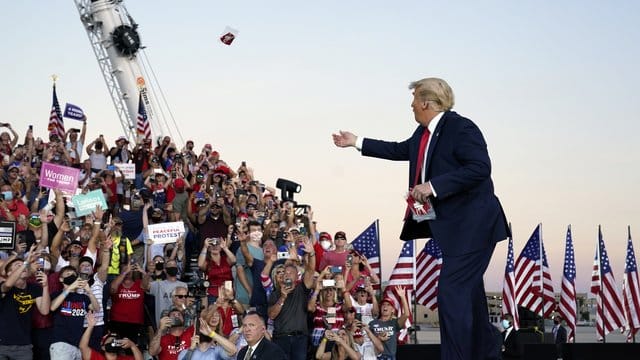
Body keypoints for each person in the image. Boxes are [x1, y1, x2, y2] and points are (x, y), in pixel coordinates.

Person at [333, 77, 510, 360]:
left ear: (427, 102)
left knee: (451, 295)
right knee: (470, 299)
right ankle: (488, 352)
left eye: (414, 98)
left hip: (474, 228)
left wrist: (433, 186)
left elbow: (480, 168)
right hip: (455, 233)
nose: (411, 105)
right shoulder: (422, 134)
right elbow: (398, 150)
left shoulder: (461, 127)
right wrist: (357, 142)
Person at [0, 250, 51, 359]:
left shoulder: (34, 288)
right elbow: (8, 284)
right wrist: (26, 262)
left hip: (24, 345)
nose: (23, 267)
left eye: (24, 266)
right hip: (2, 344)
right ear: (9, 273)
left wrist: (45, 286)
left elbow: (45, 310)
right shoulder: (4, 285)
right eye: (18, 265)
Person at [368, 287, 409, 360]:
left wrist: (403, 297)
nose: (385, 306)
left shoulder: (394, 323)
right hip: (374, 356)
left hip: (390, 357)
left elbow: (406, 314)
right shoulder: (372, 323)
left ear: (392, 310)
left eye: (388, 305)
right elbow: (368, 341)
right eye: (383, 304)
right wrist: (379, 338)